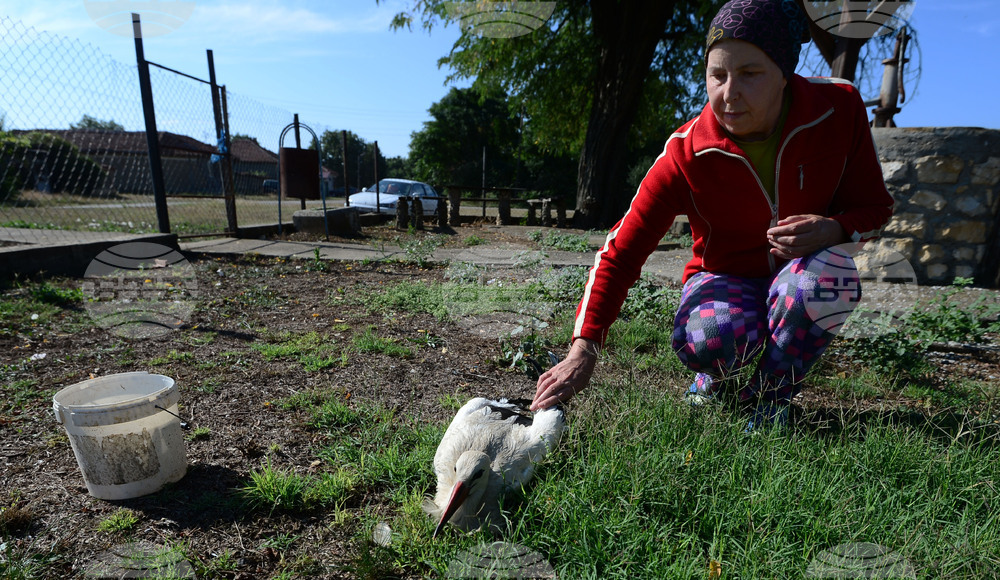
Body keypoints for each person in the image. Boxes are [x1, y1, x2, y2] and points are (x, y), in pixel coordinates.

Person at [530, 0, 894, 429]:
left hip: (800, 275)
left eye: (750, 74)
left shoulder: (839, 109)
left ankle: (768, 399)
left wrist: (835, 229)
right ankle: (716, 378)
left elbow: (876, 209)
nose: (729, 92)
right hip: (724, 277)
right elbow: (620, 251)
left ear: (784, 74)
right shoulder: (686, 152)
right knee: (713, 334)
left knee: (830, 278)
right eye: (717, 75)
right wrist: (583, 348)